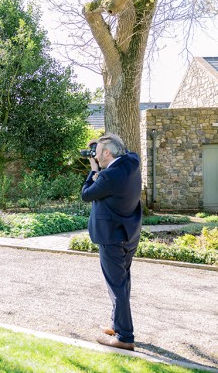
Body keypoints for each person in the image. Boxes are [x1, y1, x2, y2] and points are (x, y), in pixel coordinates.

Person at [81, 133, 142, 351]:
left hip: (112, 238)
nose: (95, 157)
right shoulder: (133, 162)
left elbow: (86, 194)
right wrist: (108, 140)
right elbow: (127, 151)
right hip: (129, 235)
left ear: (107, 152)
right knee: (122, 284)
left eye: (97, 154)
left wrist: (93, 170)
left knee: (117, 287)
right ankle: (119, 325)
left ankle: (124, 337)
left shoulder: (108, 177)